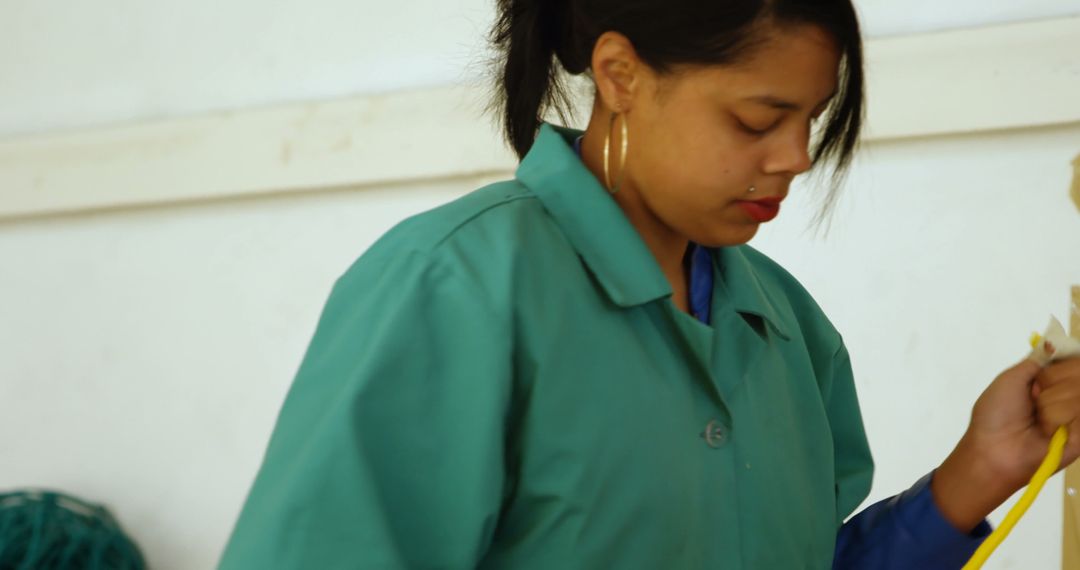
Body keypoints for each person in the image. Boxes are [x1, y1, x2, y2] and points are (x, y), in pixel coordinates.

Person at [219, 0, 1080, 568]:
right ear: (621, 75)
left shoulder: (787, 330)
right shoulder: (454, 288)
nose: (796, 158)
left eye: (810, 120)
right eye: (757, 118)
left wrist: (980, 469)